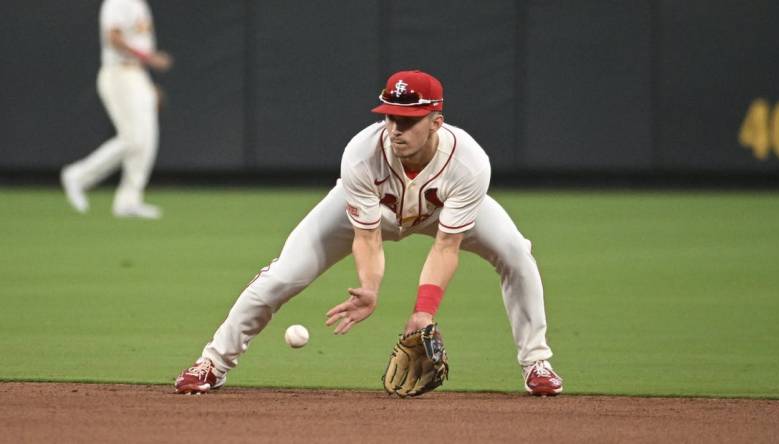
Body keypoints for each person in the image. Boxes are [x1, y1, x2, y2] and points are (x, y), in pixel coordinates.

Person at [175, 70, 563, 396]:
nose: (396, 129)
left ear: (436, 121)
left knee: (516, 253)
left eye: (408, 121)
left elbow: (447, 246)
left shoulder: (469, 163)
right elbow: (367, 237)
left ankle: (536, 364)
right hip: (371, 210)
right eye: (391, 117)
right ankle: (213, 362)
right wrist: (370, 288)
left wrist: (424, 310)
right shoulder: (361, 154)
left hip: (439, 211)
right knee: (284, 275)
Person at [60, 0, 171, 219]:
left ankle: (128, 201)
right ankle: (78, 176)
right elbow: (113, 38)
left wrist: (146, 82)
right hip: (119, 73)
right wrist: (149, 59)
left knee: (147, 141)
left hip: (137, 74)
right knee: (133, 139)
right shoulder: (118, 2)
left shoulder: (139, 4)